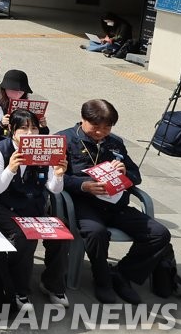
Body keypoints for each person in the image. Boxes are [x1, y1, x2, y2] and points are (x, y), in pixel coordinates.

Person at [58, 99, 171, 304]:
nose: (101, 132)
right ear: (83, 119)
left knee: (159, 234)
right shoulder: (64, 140)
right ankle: (102, 281)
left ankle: (122, 274)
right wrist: (83, 186)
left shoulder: (115, 143)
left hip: (116, 204)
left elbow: (136, 176)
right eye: (96, 127)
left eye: (107, 127)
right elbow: (54, 179)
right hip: (83, 205)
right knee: (96, 232)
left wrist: (125, 172)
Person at [0, 109, 70, 310]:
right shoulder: (0, 150)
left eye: (34, 128)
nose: (30, 133)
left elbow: (54, 189)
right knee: (24, 236)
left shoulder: (45, 151)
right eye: (24, 128)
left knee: (61, 232)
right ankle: (18, 290)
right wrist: (11, 168)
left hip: (33, 206)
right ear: (12, 130)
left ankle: (52, 284)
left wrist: (58, 174)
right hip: (4, 206)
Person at [0, 69, 46, 144]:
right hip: (0, 142)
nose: (17, 94)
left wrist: (42, 127)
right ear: (4, 89)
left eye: (20, 91)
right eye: (13, 90)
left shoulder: (27, 105)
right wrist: (0, 125)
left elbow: (39, 135)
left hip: (24, 142)